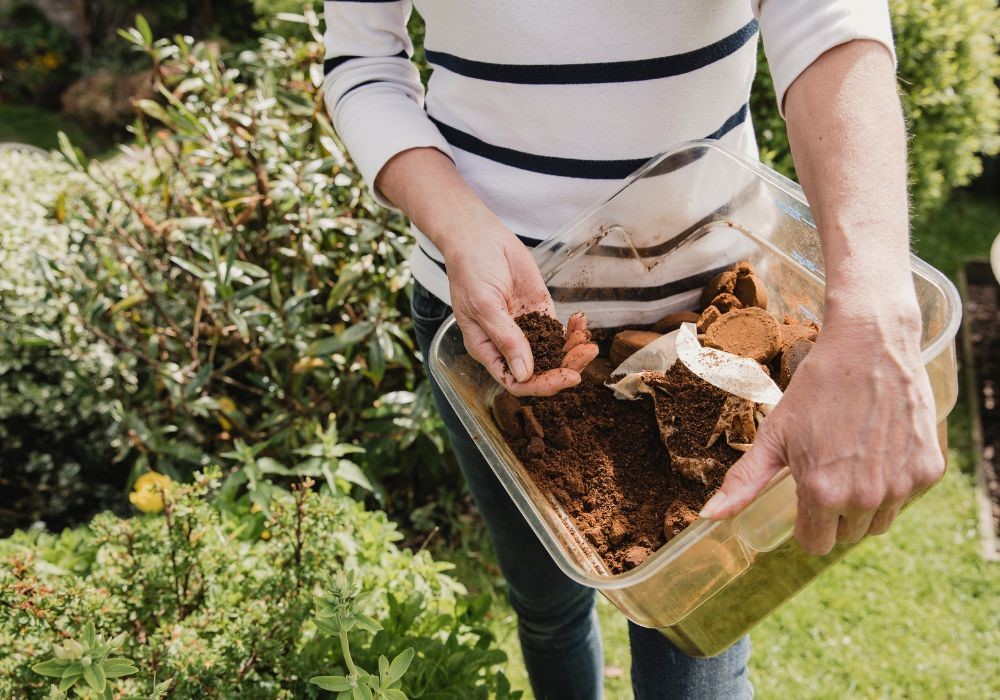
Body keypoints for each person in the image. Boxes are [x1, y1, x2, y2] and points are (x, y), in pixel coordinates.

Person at [322, 2, 944, 698]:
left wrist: (872, 319)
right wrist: (458, 224)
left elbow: (828, 20)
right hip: (497, 330)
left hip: (711, 325)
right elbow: (362, 60)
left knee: (696, 657)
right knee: (548, 609)